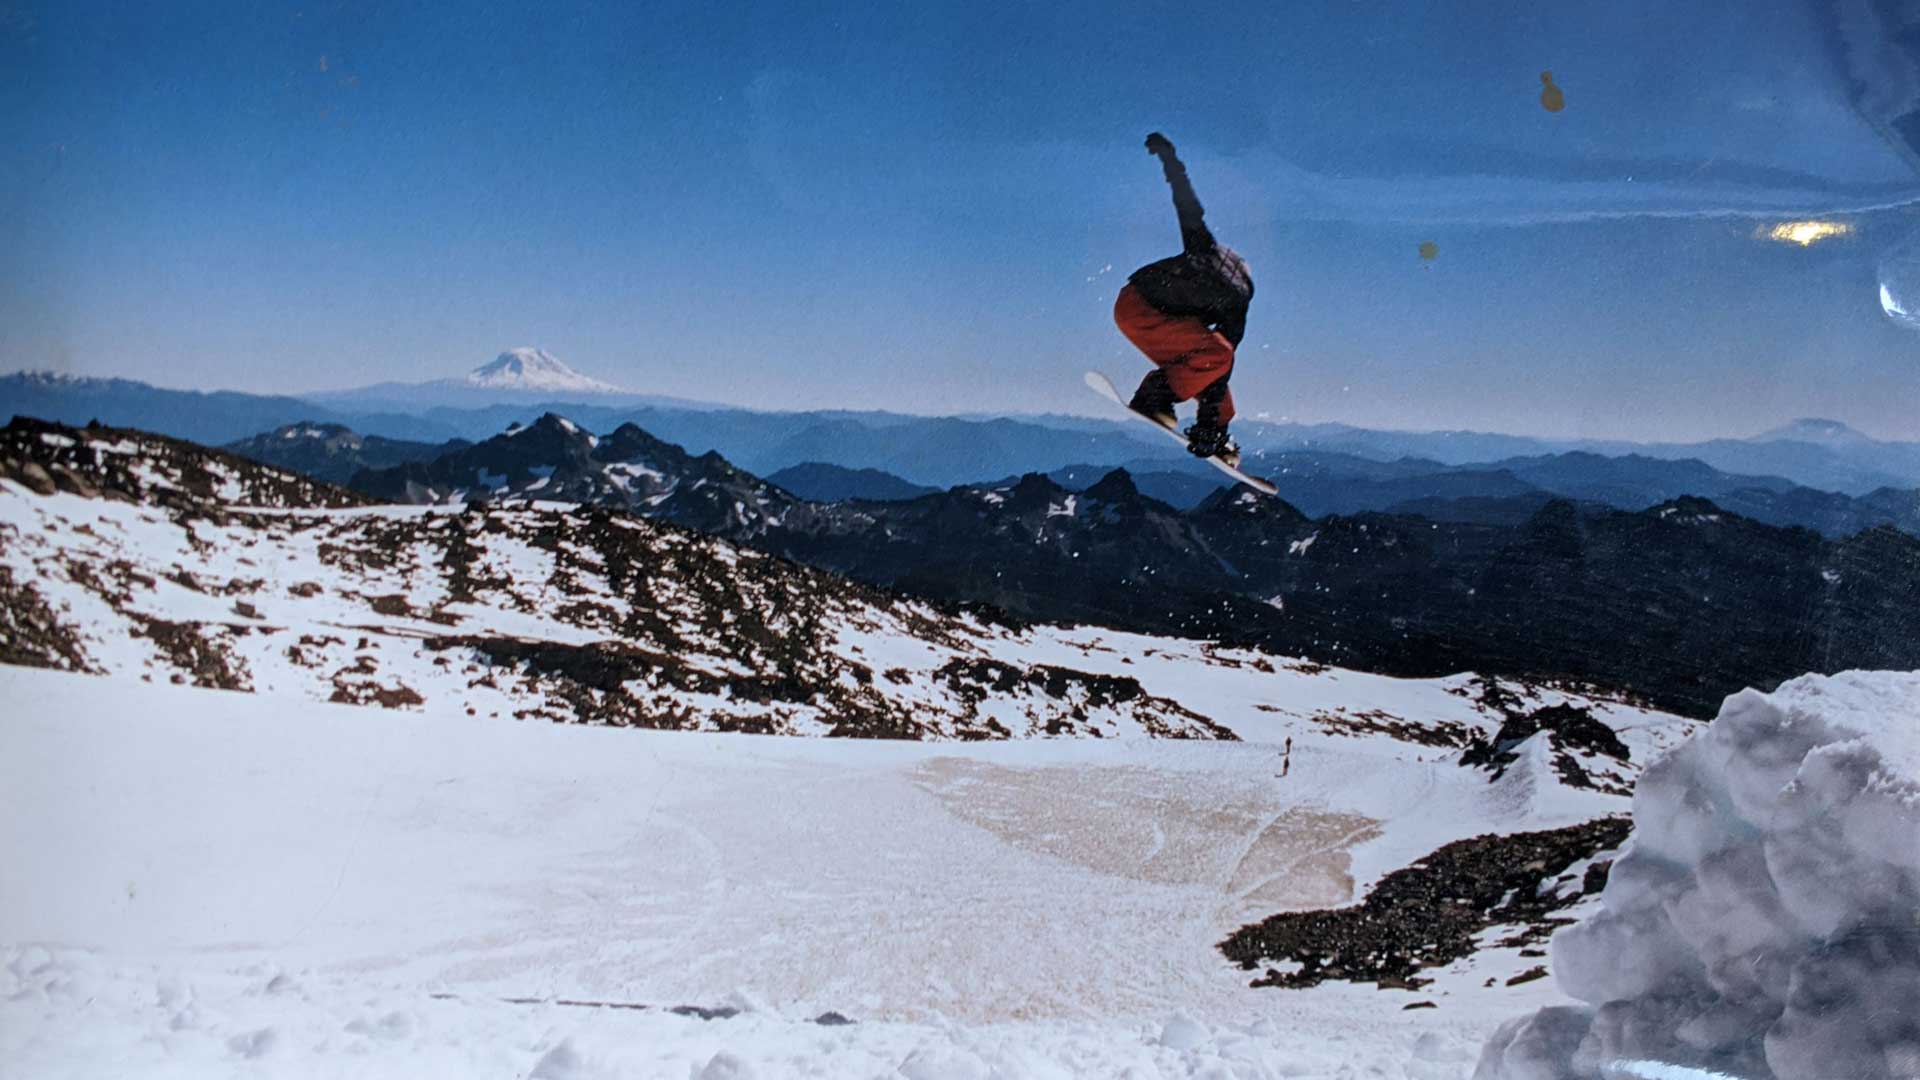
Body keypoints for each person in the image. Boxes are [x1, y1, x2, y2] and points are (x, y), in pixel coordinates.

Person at [1114, 132, 1255, 466]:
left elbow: (1186, 202)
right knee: (1218, 356)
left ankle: (1215, 430)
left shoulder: (1207, 251)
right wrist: (1206, 426)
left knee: (1215, 364)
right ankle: (1156, 398)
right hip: (1142, 310)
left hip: (1138, 305)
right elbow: (1221, 364)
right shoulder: (1235, 301)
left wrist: (1170, 160)